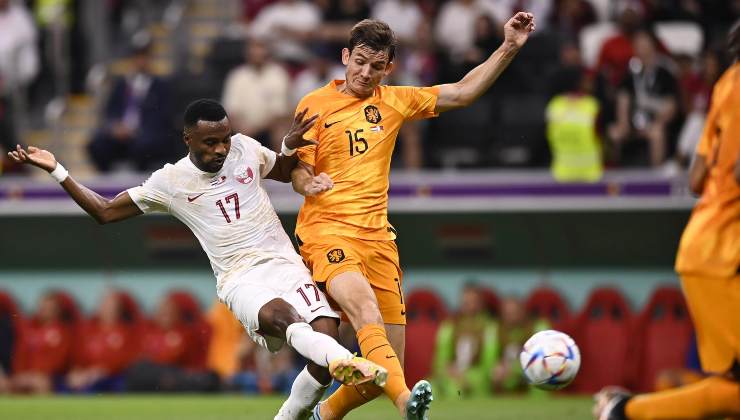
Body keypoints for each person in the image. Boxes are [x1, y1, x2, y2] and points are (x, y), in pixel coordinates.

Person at [8, 99, 387, 419]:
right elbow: (105, 211)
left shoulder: (244, 148)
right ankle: (346, 363)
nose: (220, 149)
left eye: (223, 140)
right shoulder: (171, 182)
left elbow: (286, 172)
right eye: (210, 142)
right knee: (284, 319)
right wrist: (58, 171)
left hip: (284, 263)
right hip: (240, 278)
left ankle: (301, 401)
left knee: (325, 335)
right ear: (188, 139)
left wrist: (287, 146)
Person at [290, 12, 536, 420]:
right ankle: (408, 405)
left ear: (389, 68)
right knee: (366, 314)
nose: (366, 73)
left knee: (386, 370)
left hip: (379, 243)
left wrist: (508, 46)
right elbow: (297, 167)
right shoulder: (315, 104)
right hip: (328, 234)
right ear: (345, 56)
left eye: (376, 66)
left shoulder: (395, 101)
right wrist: (306, 183)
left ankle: (323, 416)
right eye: (360, 62)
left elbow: (460, 93)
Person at [593, 21, 740, 420]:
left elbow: (696, 179)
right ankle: (627, 412)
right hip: (726, 253)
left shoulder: (728, 83)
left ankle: (624, 411)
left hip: (706, 245)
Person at [87, 32, 176, 172]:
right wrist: (115, 126)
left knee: (144, 146)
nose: (141, 60)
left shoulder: (161, 86)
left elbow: (163, 117)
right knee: (97, 144)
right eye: (137, 56)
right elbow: (111, 111)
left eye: (144, 56)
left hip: (146, 134)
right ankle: (107, 179)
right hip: (123, 134)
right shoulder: (121, 84)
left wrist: (137, 131)